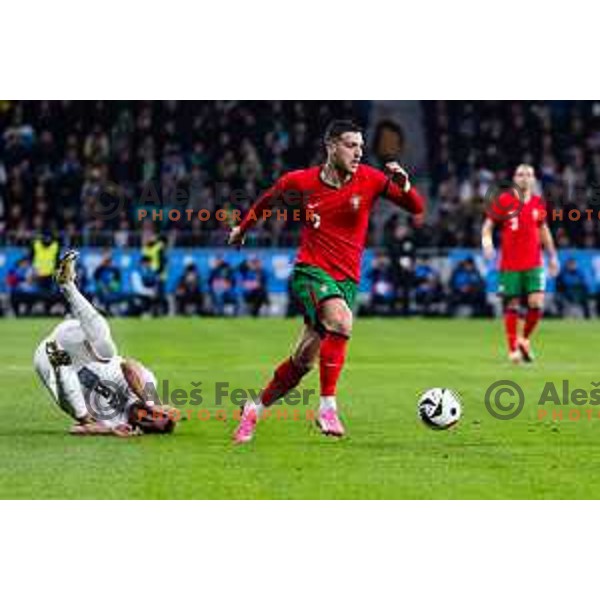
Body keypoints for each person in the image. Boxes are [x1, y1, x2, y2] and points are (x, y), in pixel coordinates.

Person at [228, 120, 425, 443]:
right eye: (350, 145)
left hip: (346, 280)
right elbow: (269, 199)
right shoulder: (301, 181)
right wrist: (242, 229)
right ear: (331, 146)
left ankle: (255, 408)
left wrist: (404, 185)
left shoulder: (372, 179)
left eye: (361, 146)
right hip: (311, 271)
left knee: (303, 361)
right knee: (342, 322)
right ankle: (327, 408)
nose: (358, 152)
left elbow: (416, 208)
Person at [33, 251, 175, 436]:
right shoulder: (149, 390)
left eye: (146, 422)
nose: (144, 416)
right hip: (79, 345)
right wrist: (150, 402)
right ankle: (67, 284)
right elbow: (129, 366)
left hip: (47, 360)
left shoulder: (118, 423)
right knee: (108, 351)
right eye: (150, 414)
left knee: (79, 411)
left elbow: (76, 429)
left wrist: (109, 430)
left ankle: (60, 367)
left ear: (141, 429)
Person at [481, 164, 559, 363]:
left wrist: (553, 256)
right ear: (515, 178)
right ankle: (513, 349)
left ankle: (524, 339)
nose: (525, 178)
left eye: (529, 175)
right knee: (512, 304)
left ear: (533, 180)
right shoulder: (504, 200)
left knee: (537, 303)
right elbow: (488, 227)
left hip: (534, 262)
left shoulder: (538, 203)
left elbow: (544, 230)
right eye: (521, 174)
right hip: (510, 264)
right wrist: (487, 244)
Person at [93, 250, 125, 315]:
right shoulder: (99, 269)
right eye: (106, 261)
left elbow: (117, 283)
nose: (108, 263)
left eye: (109, 261)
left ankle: (111, 309)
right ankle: (102, 308)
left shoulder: (115, 270)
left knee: (117, 295)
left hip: (112, 290)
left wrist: (110, 287)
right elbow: (97, 281)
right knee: (101, 294)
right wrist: (103, 287)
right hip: (102, 290)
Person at [367, 250, 396, 315]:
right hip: (377, 287)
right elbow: (369, 275)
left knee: (391, 293)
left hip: (387, 287)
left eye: (384, 258)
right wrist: (374, 267)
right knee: (374, 293)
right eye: (381, 258)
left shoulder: (390, 269)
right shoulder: (376, 270)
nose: (382, 260)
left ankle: (391, 312)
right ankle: (372, 313)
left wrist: (390, 286)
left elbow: (393, 279)